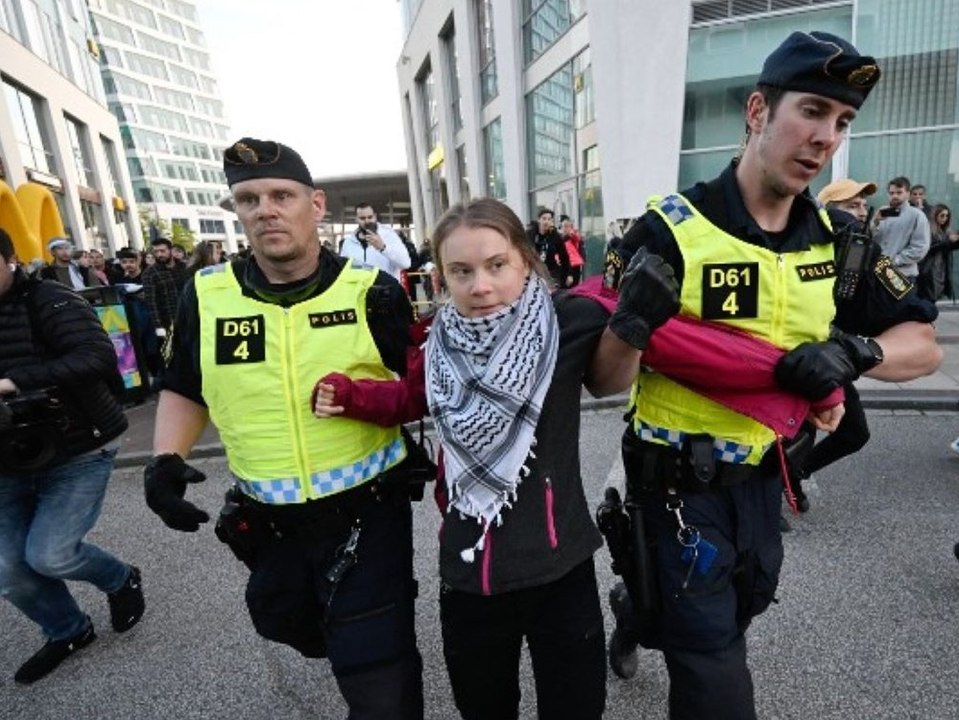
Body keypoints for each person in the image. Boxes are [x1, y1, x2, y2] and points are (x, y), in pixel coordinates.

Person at [599, 31, 942, 720]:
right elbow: (603, 381)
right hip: (674, 488)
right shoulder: (666, 230)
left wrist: (856, 355)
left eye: (841, 122)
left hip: (764, 481)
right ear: (757, 111)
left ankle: (633, 610)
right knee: (714, 669)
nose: (825, 138)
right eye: (811, 111)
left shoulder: (840, 241)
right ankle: (649, 605)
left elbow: (922, 343)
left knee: (740, 606)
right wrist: (630, 324)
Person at [311, 197, 677, 720]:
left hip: (559, 564)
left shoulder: (565, 320)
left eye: (496, 265)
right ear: (442, 277)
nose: (480, 285)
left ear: (525, 260)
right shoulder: (436, 340)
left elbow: (607, 380)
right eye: (461, 271)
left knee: (575, 709)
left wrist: (634, 323)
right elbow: (408, 399)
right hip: (470, 567)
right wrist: (349, 395)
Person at [142, 137, 423, 719]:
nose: (265, 208)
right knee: (283, 621)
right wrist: (164, 459)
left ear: (315, 205)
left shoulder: (374, 293)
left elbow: (421, 391)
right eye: (248, 198)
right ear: (237, 211)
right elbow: (185, 386)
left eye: (281, 194)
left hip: (366, 516)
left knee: (379, 683)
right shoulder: (207, 294)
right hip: (268, 527)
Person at [0, 228, 144, 684]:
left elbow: (99, 356)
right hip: (7, 457)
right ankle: (67, 630)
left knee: (51, 554)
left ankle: (121, 579)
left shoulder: (49, 298)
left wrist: (15, 381)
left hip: (79, 446)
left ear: (10, 260)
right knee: (8, 568)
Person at [872, 176, 931, 280]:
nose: (894, 196)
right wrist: (875, 222)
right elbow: (871, 240)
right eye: (891, 193)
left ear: (908, 194)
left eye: (899, 192)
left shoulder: (917, 215)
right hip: (878, 274)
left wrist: (894, 261)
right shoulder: (882, 213)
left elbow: (920, 247)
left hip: (902, 275)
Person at [339, 202, 411, 280]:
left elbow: (406, 264)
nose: (367, 221)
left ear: (375, 217)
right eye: (362, 218)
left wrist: (383, 248)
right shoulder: (349, 242)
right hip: (359, 290)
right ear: (356, 219)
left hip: (385, 289)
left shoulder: (389, 236)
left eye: (370, 217)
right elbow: (343, 269)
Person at [140, 237, 188, 339]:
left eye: (162, 251)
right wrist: (158, 326)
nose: (159, 255)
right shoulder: (149, 273)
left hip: (189, 317)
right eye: (156, 252)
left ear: (171, 250)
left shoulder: (184, 267)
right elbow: (151, 301)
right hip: (169, 322)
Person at [918, 204, 958, 302]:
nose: (945, 218)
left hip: (941, 269)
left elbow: (948, 247)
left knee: (933, 299)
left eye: (947, 216)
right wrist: (948, 241)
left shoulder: (945, 231)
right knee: (929, 299)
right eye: (942, 215)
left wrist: (955, 241)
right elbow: (928, 248)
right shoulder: (928, 230)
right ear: (935, 215)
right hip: (929, 269)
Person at [526, 208, 571, 288]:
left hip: (551, 272)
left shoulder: (555, 236)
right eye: (544, 219)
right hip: (533, 272)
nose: (546, 221)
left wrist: (567, 275)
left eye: (549, 219)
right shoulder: (530, 234)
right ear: (539, 220)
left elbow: (564, 257)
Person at [560, 214, 586, 286]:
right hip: (564, 266)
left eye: (568, 226)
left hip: (573, 266)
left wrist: (572, 232)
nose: (565, 228)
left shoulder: (571, 238)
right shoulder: (560, 239)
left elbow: (577, 238)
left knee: (574, 287)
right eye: (563, 226)